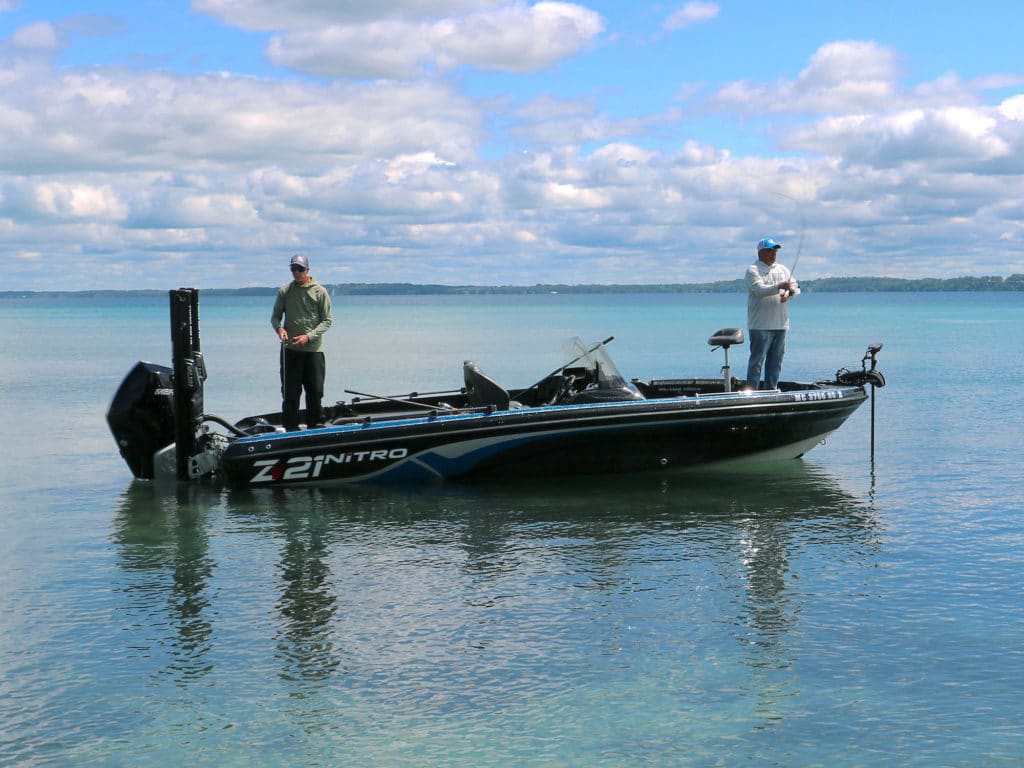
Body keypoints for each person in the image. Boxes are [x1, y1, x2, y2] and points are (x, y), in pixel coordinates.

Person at [271, 254, 333, 430]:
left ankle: (315, 426)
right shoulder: (285, 291)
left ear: (307, 270)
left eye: (299, 269)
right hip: (290, 351)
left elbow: (327, 320)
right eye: (293, 269)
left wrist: (308, 336)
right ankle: (291, 428)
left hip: (313, 350)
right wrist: (280, 329)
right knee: (290, 393)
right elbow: (275, 317)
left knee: (315, 392)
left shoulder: (320, 291)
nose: (296, 273)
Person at [745, 237, 799, 390]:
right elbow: (759, 290)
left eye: (775, 250)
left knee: (776, 362)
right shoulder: (753, 270)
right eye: (769, 250)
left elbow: (796, 288)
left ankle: (771, 390)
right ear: (760, 252)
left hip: (781, 325)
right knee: (757, 362)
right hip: (760, 325)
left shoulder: (782, 269)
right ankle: (752, 392)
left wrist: (788, 294)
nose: (773, 253)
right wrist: (779, 286)